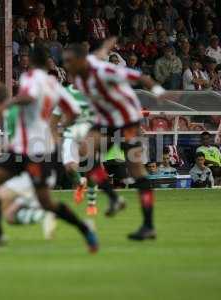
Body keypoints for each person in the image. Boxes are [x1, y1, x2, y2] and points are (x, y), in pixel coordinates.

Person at [0, 49, 98, 254]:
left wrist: (10, 102)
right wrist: (61, 127)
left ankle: (85, 228)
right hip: (24, 150)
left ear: (31, 63)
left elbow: (30, 97)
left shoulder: (30, 76)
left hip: (35, 152)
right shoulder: (57, 86)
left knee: (45, 202)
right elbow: (74, 112)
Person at [63, 39, 168, 241]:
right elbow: (101, 50)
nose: (66, 66)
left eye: (69, 61)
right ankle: (114, 198)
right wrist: (107, 43)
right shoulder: (80, 77)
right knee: (87, 154)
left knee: (136, 169)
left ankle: (148, 226)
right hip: (106, 120)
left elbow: (140, 77)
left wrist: (159, 92)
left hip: (128, 120)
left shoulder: (102, 71)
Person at [50, 83, 98, 216]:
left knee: (92, 169)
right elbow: (53, 120)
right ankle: (80, 183)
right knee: (70, 168)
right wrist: (55, 138)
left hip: (89, 135)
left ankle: (91, 204)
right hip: (70, 135)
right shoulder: (64, 94)